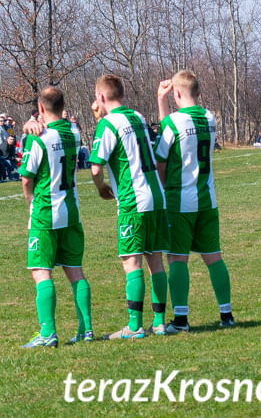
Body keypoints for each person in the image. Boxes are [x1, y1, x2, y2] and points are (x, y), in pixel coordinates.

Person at [89, 74, 169, 339]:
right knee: (155, 260)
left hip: (133, 200)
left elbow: (95, 166)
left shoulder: (107, 124)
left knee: (131, 261)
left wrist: (101, 188)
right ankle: (159, 323)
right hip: (157, 196)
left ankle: (134, 327)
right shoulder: (137, 116)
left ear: (101, 97)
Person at [155, 71, 234, 333]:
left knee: (177, 259)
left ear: (176, 93)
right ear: (198, 93)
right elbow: (179, 125)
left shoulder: (172, 122)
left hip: (180, 199)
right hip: (207, 199)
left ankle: (180, 320)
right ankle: (226, 314)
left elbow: (161, 160)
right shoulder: (209, 118)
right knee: (214, 258)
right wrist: (164, 104)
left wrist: (164, 187)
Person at [20, 87, 94, 348]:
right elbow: (59, 125)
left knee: (41, 271)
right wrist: (32, 122)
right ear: (63, 106)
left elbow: (26, 177)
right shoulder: (74, 133)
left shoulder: (37, 138)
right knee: (75, 271)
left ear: (40, 109)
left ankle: (48, 332)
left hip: (45, 213)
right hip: (71, 212)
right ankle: (86, 330)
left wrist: (29, 201)